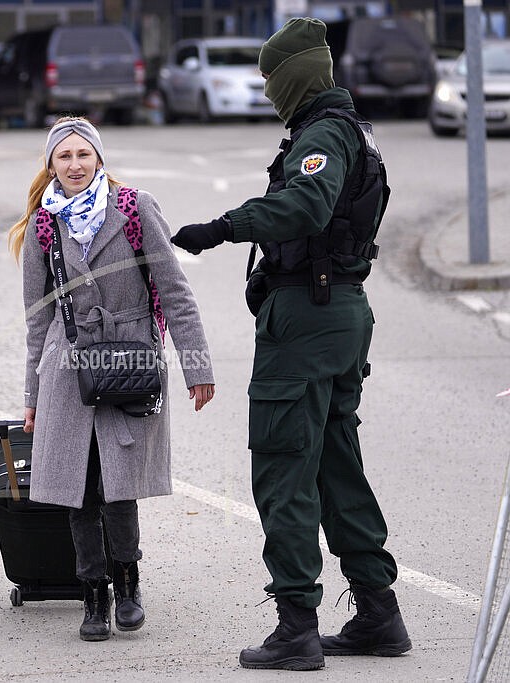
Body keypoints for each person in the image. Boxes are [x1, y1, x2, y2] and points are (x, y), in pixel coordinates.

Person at [169, 17, 411, 671]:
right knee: (336, 467)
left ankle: (296, 625)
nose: (270, 89)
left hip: (308, 318)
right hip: (337, 312)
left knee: (284, 467)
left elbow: (307, 204)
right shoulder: (338, 129)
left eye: (273, 78)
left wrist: (223, 227)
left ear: (297, 75)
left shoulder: (324, 134)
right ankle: (379, 614)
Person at [8, 116, 216, 641]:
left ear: (99, 159)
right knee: (77, 485)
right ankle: (92, 594)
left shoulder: (133, 208)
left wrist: (196, 365)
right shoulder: (42, 224)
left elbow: (175, 289)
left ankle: (128, 584)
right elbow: (38, 317)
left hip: (129, 360)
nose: (74, 165)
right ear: (51, 164)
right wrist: (32, 393)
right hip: (67, 364)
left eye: (83, 155)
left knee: (118, 483)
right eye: (64, 157)